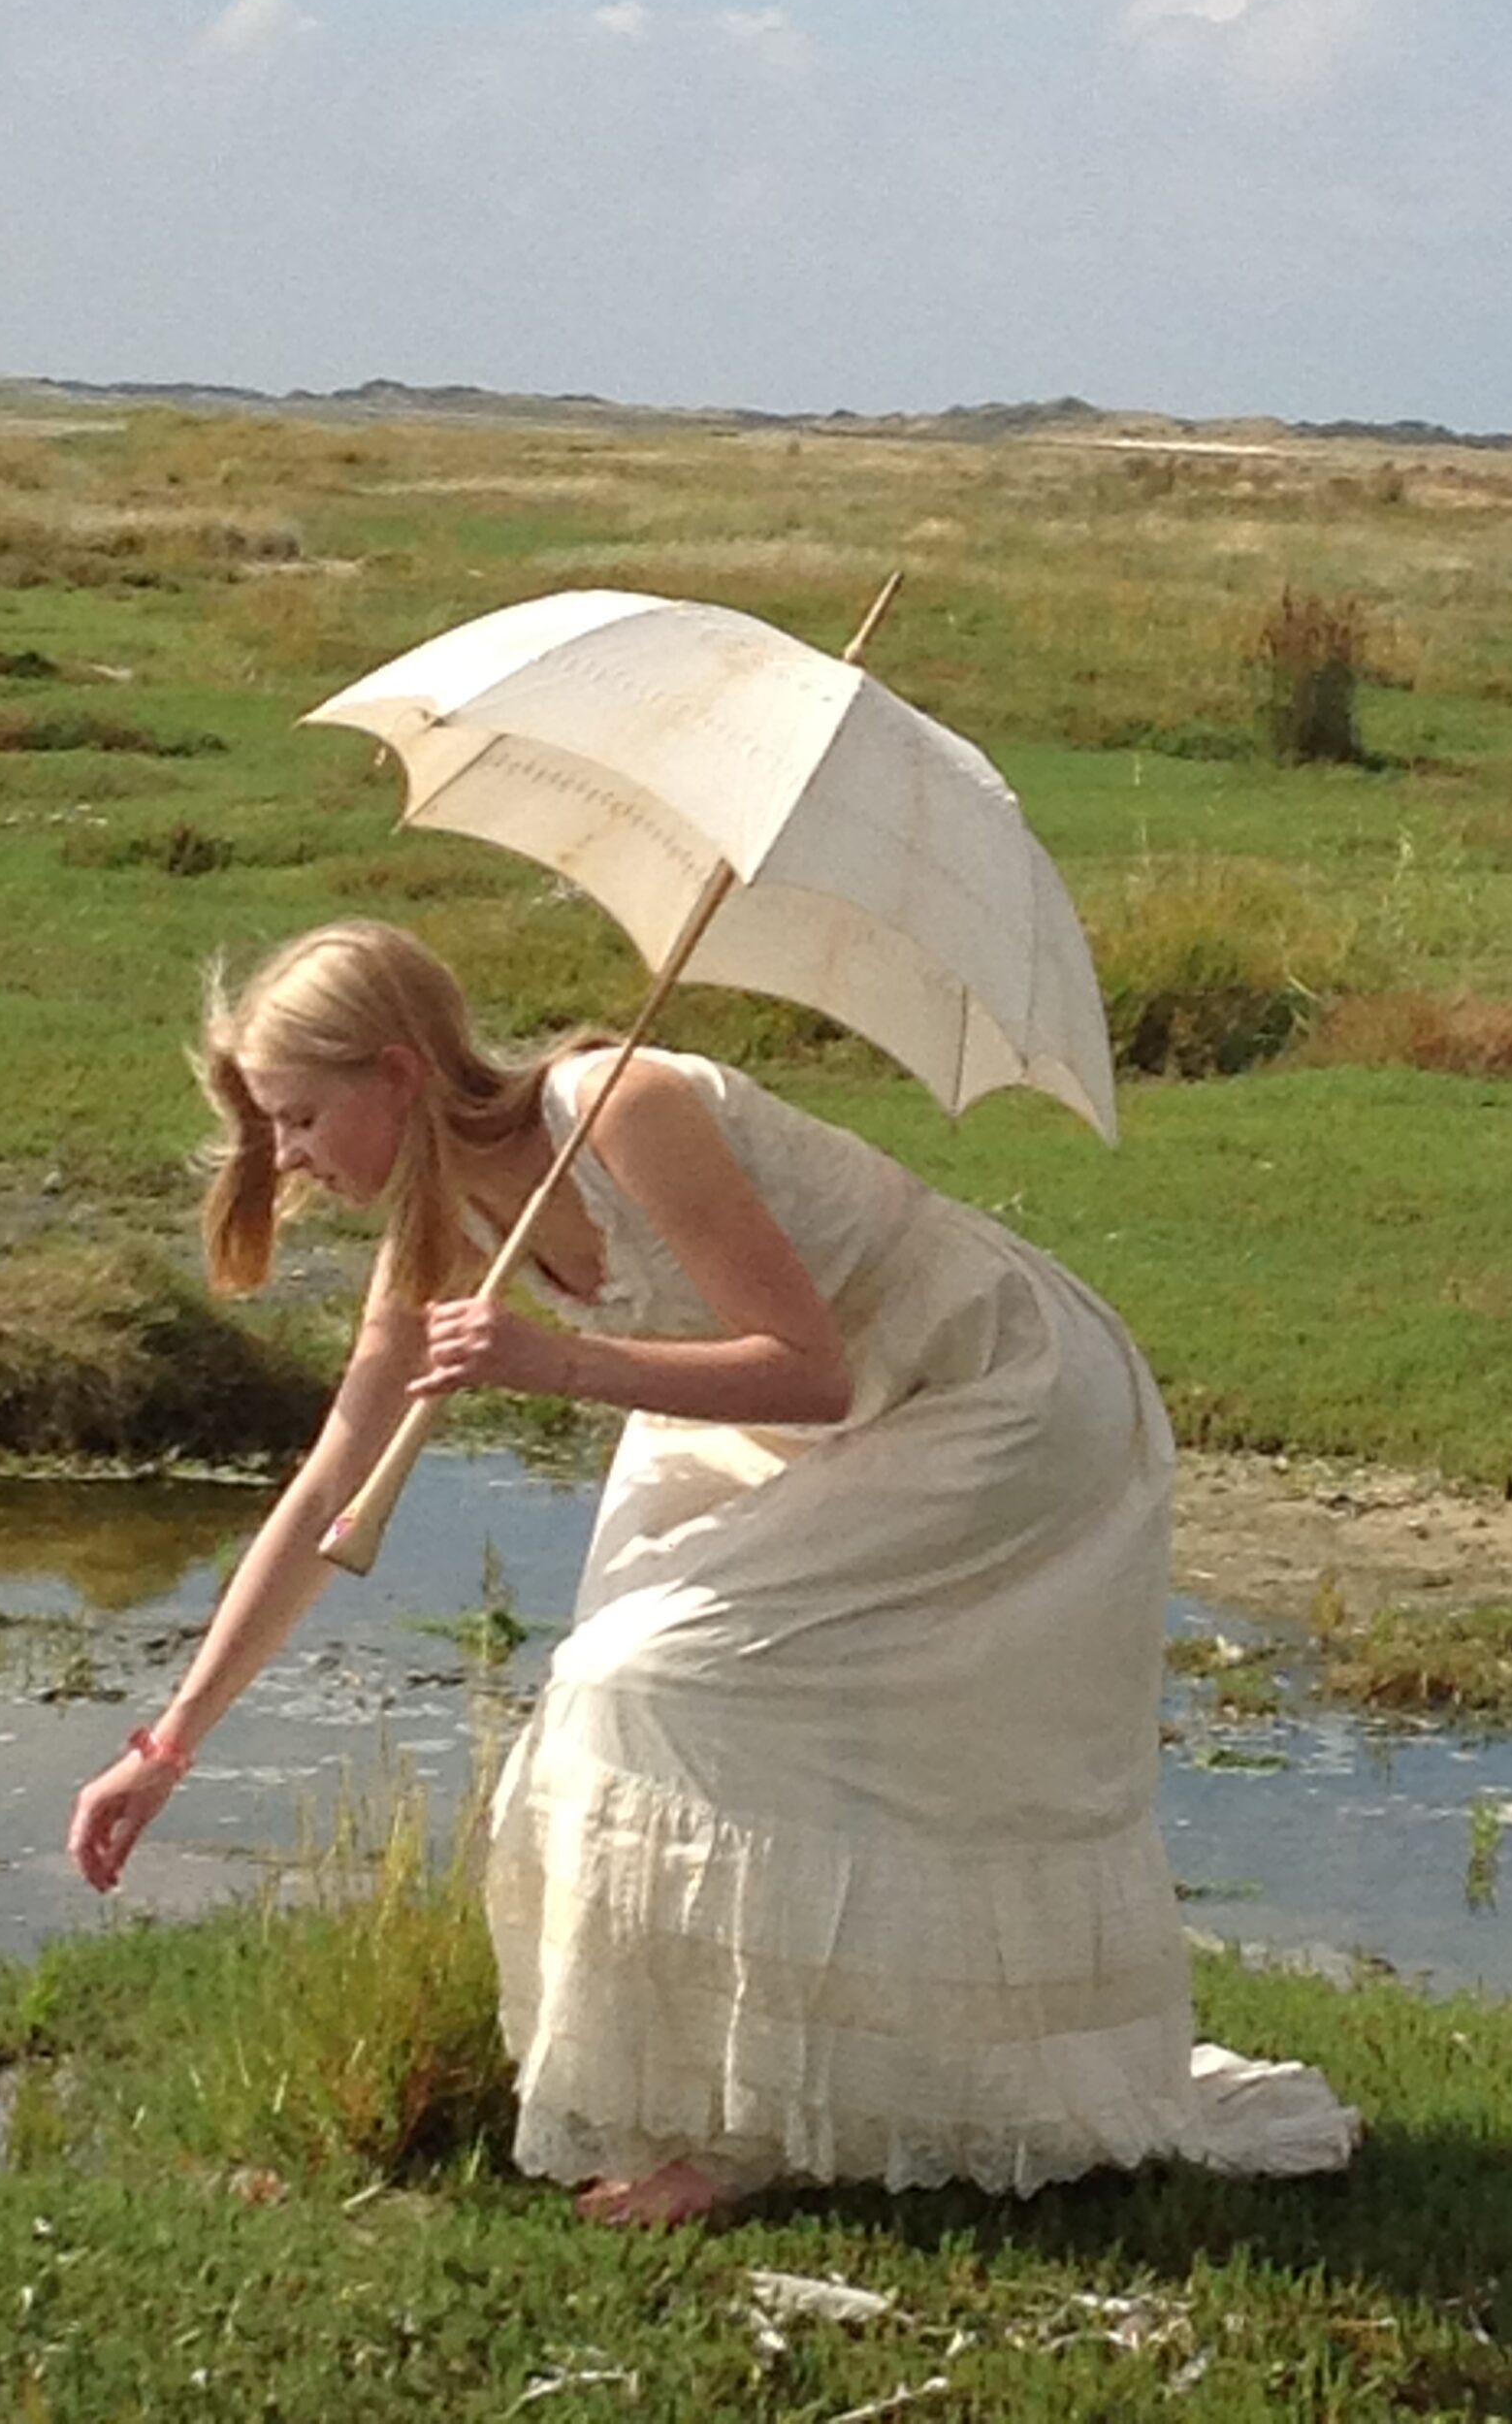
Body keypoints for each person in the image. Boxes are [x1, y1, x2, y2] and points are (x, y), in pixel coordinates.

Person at [69, 918, 1356, 2223]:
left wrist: (553, 1361)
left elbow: (810, 1365)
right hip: (784, 1423)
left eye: (298, 1117)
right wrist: (166, 1745)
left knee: (655, 1682)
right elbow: (330, 1484)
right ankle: (752, 2105)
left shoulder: (627, 1106)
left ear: (397, 1074)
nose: (286, 1156)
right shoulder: (441, 1221)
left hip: (986, 1389)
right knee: (648, 1702)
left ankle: (752, 2135)